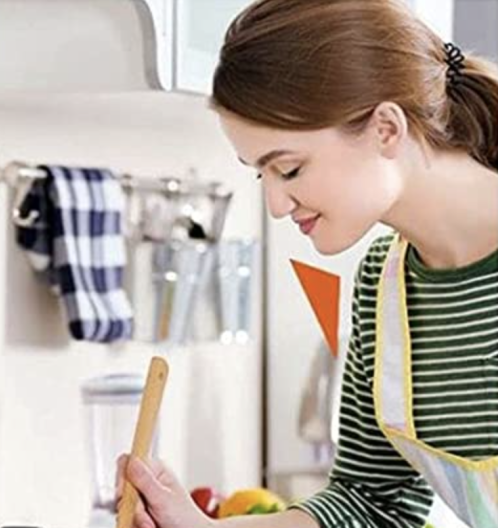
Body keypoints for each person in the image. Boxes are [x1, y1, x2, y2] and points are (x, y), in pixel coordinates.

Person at [117, 1, 498, 527]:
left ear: (386, 128)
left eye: (290, 169)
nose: (276, 204)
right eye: (262, 176)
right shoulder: (383, 286)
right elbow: (373, 504)